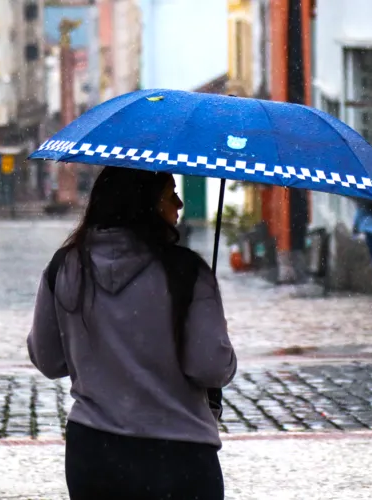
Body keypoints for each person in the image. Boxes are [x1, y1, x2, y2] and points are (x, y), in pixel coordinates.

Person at [27, 166, 236, 499]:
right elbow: (209, 366)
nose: (180, 203)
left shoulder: (65, 266)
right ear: (148, 205)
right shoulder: (186, 273)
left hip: (95, 452)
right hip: (178, 453)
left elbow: (48, 359)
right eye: (171, 194)